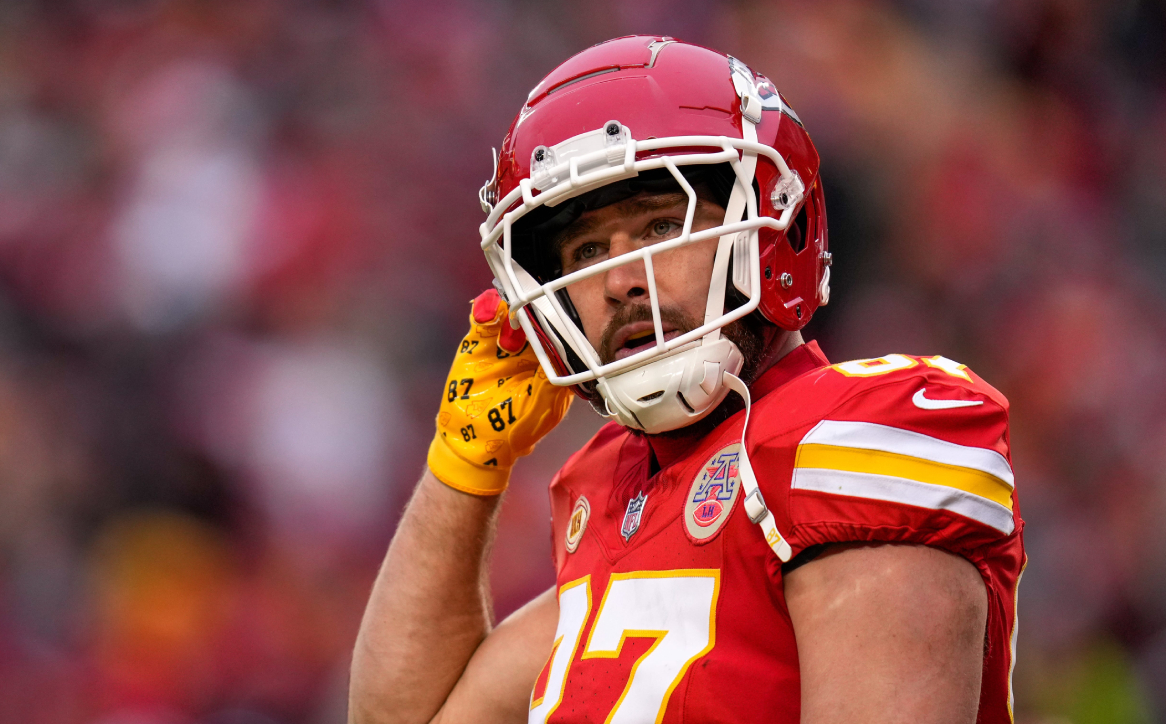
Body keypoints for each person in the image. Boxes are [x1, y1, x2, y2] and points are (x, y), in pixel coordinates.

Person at [349, 35, 1024, 724]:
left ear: (771, 226)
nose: (617, 281)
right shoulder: (614, 489)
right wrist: (462, 466)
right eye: (586, 250)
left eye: (659, 225)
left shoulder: (857, 433)